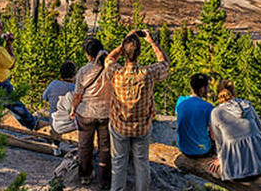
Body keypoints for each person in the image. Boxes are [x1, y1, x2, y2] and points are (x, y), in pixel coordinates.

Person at [105, 30, 170, 191]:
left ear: (125, 54)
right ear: (139, 54)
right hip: (142, 127)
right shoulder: (148, 73)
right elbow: (165, 64)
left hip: (119, 126)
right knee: (142, 163)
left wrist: (124, 43)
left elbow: (109, 59)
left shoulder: (116, 72)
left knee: (118, 162)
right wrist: (152, 42)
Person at [208, 80, 261, 181]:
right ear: (233, 92)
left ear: (218, 94)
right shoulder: (247, 105)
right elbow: (260, 127)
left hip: (238, 165)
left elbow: (219, 141)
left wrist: (220, 158)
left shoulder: (216, 112)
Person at [71, 38, 112, 188]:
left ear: (88, 55)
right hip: (106, 113)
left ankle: (85, 176)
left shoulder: (83, 71)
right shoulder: (111, 68)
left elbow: (77, 95)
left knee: (85, 145)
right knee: (105, 147)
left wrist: (73, 110)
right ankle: (105, 180)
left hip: (87, 113)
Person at [175, 73, 214, 158]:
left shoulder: (180, 101)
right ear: (202, 89)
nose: (209, 89)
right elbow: (213, 135)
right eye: (208, 87)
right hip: (201, 150)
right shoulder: (208, 107)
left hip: (183, 147)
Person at [43, 61, 77, 155]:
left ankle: (56, 147)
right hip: (69, 124)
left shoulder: (53, 84)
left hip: (54, 122)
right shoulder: (74, 88)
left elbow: (44, 97)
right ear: (74, 75)